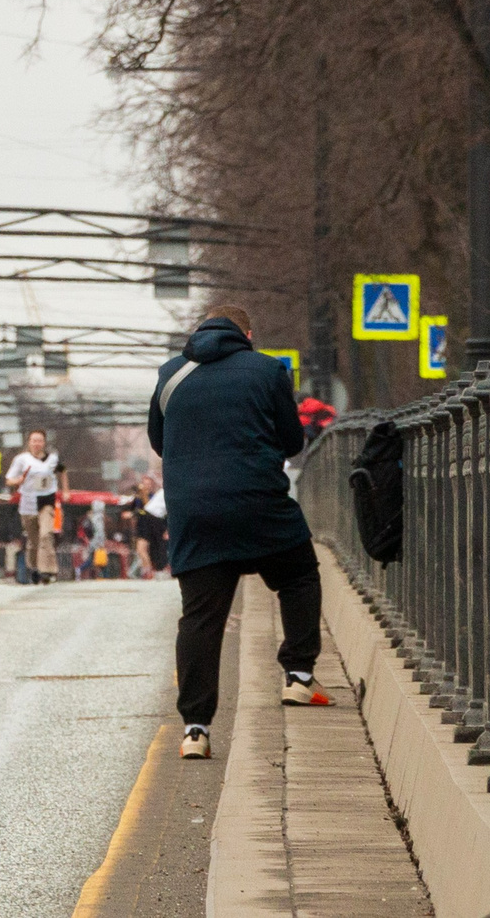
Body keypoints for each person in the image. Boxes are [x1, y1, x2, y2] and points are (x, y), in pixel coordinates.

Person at [152, 304, 327, 761]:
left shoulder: (170, 374)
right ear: (247, 334)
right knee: (299, 575)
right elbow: (292, 442)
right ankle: (300, 676)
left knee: (200, 618)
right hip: (259, 505)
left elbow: (159, 440)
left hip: (195, 514)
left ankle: (195, 728)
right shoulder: (270, 370)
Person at [5, 429, 62, 585]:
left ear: (44, 443)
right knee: (33, 540)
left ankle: (48, 570)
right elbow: (9, 480)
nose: (37, 443)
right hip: (28, 503)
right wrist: (17, 481)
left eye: (40, 440)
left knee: (46, 535)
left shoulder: (52, 459)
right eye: (34, 440)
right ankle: (34, 568)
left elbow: (63, 471)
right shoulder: (21, 459)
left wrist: (67, 490)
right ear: (29, 443)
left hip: (47, 501)